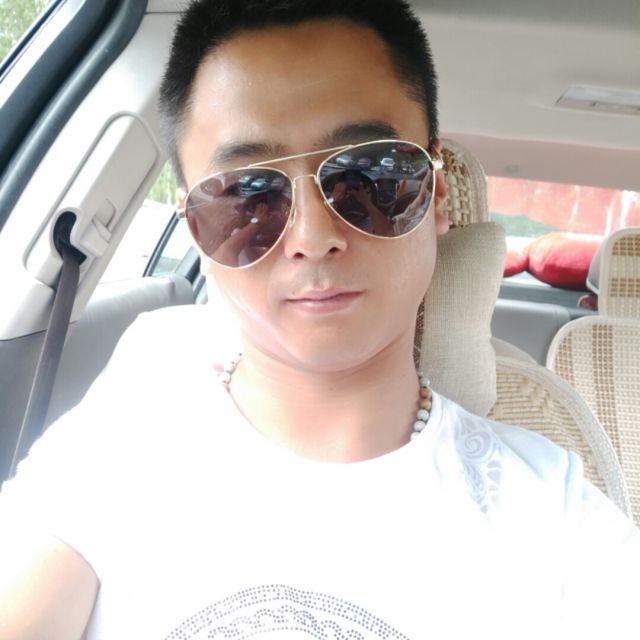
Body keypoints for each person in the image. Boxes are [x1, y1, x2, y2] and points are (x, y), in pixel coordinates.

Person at [0, 1, 639, 638]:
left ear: (436, 195)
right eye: (247, 195)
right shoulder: (113, 451)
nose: (312, 238)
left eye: (367, 178)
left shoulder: (554, 515)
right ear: (196, 231)